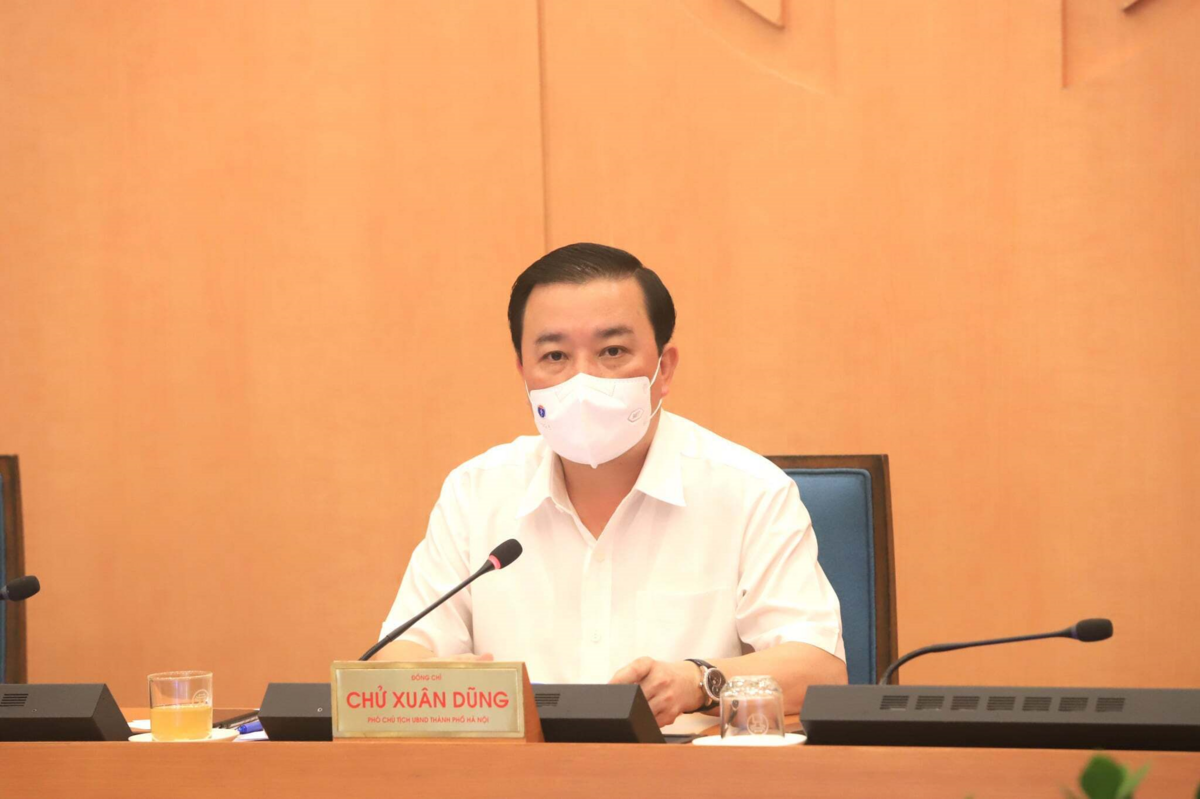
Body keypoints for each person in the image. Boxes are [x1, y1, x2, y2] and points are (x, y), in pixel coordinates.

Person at [376, 243, 846, 733]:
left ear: (664, 368)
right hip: (521, 770)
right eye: (554, 355)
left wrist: (697, 682)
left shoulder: (748, 491)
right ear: (524, 374)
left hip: (685, 771)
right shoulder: (475, 493)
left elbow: (820, 669)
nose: (583, 380)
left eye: (612, 352)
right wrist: (442, 679)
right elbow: (398, 657)